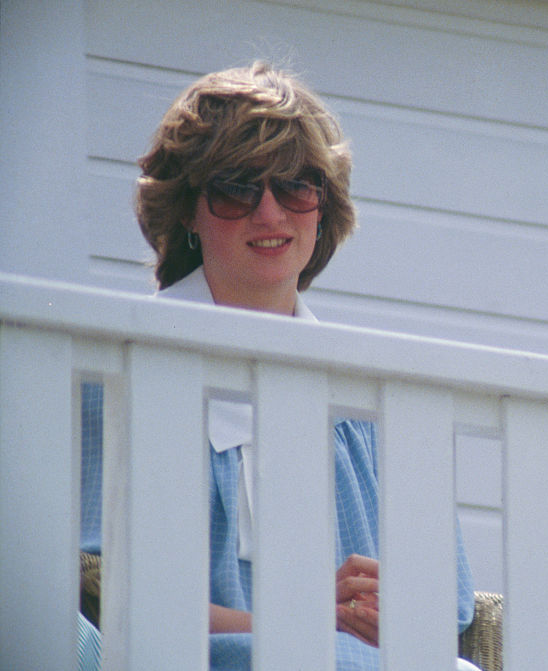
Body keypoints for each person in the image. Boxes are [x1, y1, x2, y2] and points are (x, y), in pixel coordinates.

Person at [78, 62, 479, 671]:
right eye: (236, 189)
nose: (270, 214)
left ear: (322, 206)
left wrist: (396, 605)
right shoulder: (119, 373)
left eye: (296, 186)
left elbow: (448, 608)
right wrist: (307, 615)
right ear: (187, 209)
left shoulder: (373, 397)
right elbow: (105, 593)